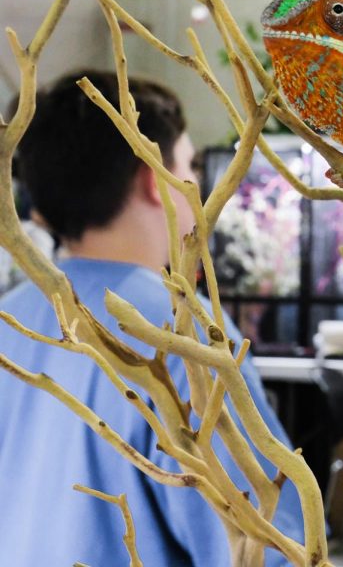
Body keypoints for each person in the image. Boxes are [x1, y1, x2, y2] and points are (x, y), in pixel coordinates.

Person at [0, 71, 304, 566]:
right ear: (154, 179)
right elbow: (264, 546)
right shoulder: (181, 331)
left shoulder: (10, 317)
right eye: (188, 164)